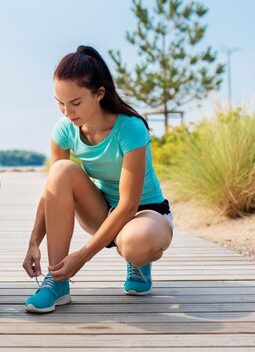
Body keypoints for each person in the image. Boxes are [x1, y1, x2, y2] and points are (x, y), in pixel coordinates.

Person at [22, 45, 173, 313]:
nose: (68, 112)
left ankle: (139, 262)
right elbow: (52, 192)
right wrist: (34, 242)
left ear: (99, 94)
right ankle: (57, 282)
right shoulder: (65, 130)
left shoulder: (130, 128)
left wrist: (82, 256)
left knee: (135, 244)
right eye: (60, 103)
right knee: (59, 171)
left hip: (145, 212)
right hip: (102, 212)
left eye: (76, 103)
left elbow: (128, 205)